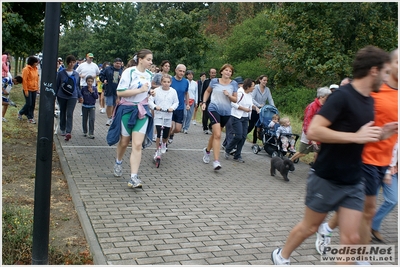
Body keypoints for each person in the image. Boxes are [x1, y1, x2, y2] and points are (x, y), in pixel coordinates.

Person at [271, 45, 394, 265]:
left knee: (351, 238)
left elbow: (363, 136)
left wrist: (382, 133)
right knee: (310, 227)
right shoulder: (342, 97)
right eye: (385, 72)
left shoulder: (370, 100)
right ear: (374, 70)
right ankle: (281, 256)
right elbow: (314, 130)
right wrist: (356, 136)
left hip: (354, 180)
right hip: (327, 177)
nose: (387, 78)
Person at [314, 48, 398, 257]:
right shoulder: (376, 89)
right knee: (366, 208)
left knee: (360, 208)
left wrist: (392, 163)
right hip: (364, 157)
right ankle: (359, 256)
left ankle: (329, 228)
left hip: (385, 159)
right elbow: (352, 117)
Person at [106, 49, 155, 189]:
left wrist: (149, 93)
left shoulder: (150, 75)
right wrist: (139, 91)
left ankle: (134, 177)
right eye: (149, 59)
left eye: (151, 60)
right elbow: (120, 92)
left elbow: (145, 93)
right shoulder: (129, 72)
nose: (151, 62)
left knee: (137, 144)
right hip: (127, 110)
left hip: (142, 111)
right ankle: (118, 161)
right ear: (140, 59)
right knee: (124, 141)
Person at [201, 64, 238, 170]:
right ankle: (216, 161)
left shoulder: (234, 84)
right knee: (218, 135)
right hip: (213, 109)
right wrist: (204, 102)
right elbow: (207, 91)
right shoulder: (215, 81)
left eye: (230, 71)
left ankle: (207, 150)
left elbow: (235, 99)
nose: (228, 73)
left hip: (226, 112)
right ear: (221, 72)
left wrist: (229, 95)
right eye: (226, 70)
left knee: (215, 135)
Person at [290, 87, 331, 163]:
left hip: (319, 133)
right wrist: (311, 136)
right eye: (327, 96)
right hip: (309, 132)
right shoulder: (313, 106)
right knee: (303, 152)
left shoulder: (325, 106)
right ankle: (289, 161)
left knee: (318, 152)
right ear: (321, 97)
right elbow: (307, 121)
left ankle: (314, 169)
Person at [224, 78, 256, 163]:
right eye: (253, 86)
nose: (254, 88)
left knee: (243, 137)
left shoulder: (249, 94)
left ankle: (237, 155)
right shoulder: (239, 92)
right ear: (248, 87)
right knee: (238, 135)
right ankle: (228, 149)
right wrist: (243, 108)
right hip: (236, 116)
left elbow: (250, 103)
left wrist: (255, 107)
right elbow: (233, 103)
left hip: (245, 117)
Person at [371, 142, 398, 242]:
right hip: (375, 167)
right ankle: (363, 229)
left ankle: (373, 224)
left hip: (392, 171)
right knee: (370, 203)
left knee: (393, 200)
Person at [148, 74, 179, 159]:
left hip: (168, 115)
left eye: (168, 82)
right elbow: (150, 100)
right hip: (159, 115)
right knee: (159, 133)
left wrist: (172, 108)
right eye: (164, 82)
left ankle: (164, 143)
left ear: (170, 83)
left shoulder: (173, 91)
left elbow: (176, 102)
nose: (166, 83)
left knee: (165, 135)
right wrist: (155, 106)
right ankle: (157, 151)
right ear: (161, 82)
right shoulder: (156, 90)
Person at [55, 55, 83, 141]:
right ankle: (62, 128)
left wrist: (80, 96)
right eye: (70, 62)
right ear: (67, 63)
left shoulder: (76, 74)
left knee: (69, 113)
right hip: (62, 95)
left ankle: (68, 131)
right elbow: (57, 85)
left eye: (73, 62)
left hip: (72, 96)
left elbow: (77, 86)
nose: (72, 64)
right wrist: (54, 95)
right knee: (63, 112)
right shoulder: (61, 73)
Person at [248, 75, 274, 147]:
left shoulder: (267, 89)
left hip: (262, 111)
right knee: (251, 126)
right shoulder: (255, 87)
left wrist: (273, 107)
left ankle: (254, 142)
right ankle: (241, 137)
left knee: (258, 126)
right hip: (254, 109)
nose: (265, 82)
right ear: (260, 80)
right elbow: (251, 98)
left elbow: (270, 99)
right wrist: (258, 105)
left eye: (266, 80)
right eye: (264, 80)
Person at [167, 64, 190, 143]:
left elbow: (186, 93)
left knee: (177, 129)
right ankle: (164, 144)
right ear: (176, 70)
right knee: (170, 126)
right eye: (180, 71)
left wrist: (187, 104)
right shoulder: (170, 80)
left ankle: (171, 134)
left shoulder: (185, 82)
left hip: (180, 108)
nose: (182, 73)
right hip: (170, 107)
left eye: (183, 71)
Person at [99, 58, 123, 126]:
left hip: (117, 91)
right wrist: (104, 80)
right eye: (117, 63)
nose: (118, 65)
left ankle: (113, 117)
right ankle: (109, 118)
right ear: (114, 63)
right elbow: (101, 75)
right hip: (109, 89)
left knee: (115, 105)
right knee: (109, 104)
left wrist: (121, 78)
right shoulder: (108, 69)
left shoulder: (122, 71)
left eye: (120, 64)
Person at [222, 76, 244, 150]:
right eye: (240, 84)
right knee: (230, 129)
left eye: (242, 84)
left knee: (230, 129)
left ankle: (225, 143)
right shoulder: (231, 91)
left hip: (235, 113)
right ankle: (230, 146)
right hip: (228, 112)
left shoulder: (240, 92)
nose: (241, 85)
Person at [18, 56, 40, 124]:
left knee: (32, 104)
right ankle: (21, 112)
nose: (37, 63)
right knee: (28, 103)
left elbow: (36, 79)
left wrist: (37, 88)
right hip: (28, 89)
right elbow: (24, 80)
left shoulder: (35, 69)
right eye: (36, 62)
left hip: (34, 89)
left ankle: (30, 117)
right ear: (32, 62)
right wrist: (26, 90)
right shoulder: (26, 69)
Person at [201, 68, 217, 134]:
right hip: (207, 101)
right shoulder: (206, 81)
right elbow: (203, 91)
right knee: (205, 115)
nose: (213, 74)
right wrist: (202, 101)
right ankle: (205, 128)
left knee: (214, 115)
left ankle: (211, 126)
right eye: (212, 73)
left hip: (215, 101)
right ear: (209, 73)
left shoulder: (217, 81)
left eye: (214, 73)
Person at [182, 70, 198, 134]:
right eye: (189, 74)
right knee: (184, 114)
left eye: (192, 74)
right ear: (186, 75)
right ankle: (182, 125)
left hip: (192, 99)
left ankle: (186, 128)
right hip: (185, 100)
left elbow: (196, 92)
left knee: (189, 115)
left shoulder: (195, 83)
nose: (191, 76)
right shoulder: (184, 82)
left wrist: (196, 102)